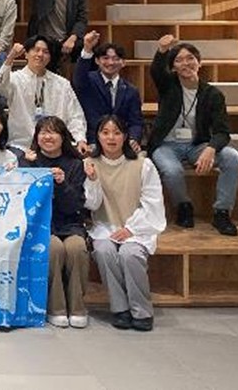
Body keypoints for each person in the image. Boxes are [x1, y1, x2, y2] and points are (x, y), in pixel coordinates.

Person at [148, 35, 238, 236]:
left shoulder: (213, 94)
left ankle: (222, 212)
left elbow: (222, 131)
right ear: (173, 67)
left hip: (197, 145)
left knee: (232, 157)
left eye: (190, 58)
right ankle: (184, 206)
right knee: (172, 171)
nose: (186, 63)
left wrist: (211, 148)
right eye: (179, 60)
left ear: (199, 62)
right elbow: (156, 71)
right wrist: (162, 50)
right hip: (166, 145)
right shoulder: (168, 86)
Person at [85, 115, 166, 332]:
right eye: (105, 133)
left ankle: (142, 311)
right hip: (105, 226)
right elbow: (92, 204)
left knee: (130, 255)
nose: (111, 138)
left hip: (137, 228)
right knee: (104, 251)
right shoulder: (91, 164)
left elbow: (152, 203)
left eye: (116, 133)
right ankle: (120, 308)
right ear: (98, 136)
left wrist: (131, 228)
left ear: (125, 136)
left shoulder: (143, 165)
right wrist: (92, 180)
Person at [21, 116, 88, 329]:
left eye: (53, 132)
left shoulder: (75, 165)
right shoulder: (29, 162)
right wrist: (26, 164)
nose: (47, 137)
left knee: (77, 248)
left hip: (70, 224)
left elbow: (74, 205)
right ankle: (56, 307)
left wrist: (62, 183)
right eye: (43, 132)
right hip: (41, 226)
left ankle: (77, 307)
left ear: (63, 137)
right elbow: (24, 200)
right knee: (53, 248)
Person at [0, 37, 88, 153]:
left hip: (55, 148)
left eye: (45, 52)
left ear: (50, 57)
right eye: (36, 50)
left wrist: (80, 139)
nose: (40, 54)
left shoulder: (62, 84)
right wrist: (10, 57)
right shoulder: (15, 79)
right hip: (21, 146)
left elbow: (75, 115)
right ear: (26, 54)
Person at [73, 31, 144, 147]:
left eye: (116, 59)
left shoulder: (131, 91)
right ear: (97, 61)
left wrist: (133, 139)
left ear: (123, 62)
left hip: (121, 145)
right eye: (105, 58)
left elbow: (136, 122)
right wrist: (87, 49)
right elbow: (78, 78)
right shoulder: (87, 81)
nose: (110, 63)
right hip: (92, 143)